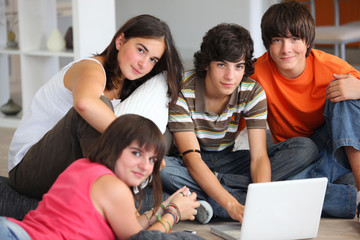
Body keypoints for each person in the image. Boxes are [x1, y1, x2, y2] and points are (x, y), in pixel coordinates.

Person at [7, 14, 183, 199]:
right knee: (97, 110)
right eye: (140, 50)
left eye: (153, 59)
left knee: (160, 134)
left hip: (71, 168)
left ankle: (129, 197)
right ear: (120, 41)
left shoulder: (129, 83)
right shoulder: (90, 68)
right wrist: (140, 143)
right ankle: (120, 200)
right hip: (30, 170)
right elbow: (84, 104)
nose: (144, 64)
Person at [160, 23, 318, 224]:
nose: (230, 76)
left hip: (229, 160)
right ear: (207, 63)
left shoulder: (252, 91)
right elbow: (193, 161)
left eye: (239, 66)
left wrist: (260, 200)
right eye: (221, 65)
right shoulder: (183, 90)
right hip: (190, 161)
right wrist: (232, 206)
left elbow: (259, 156)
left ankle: (207, 198)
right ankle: (226, 201)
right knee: (162, 168)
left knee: (305, 148)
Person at [0, 114, 203, 240]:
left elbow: (129, 224)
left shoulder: (82, 166)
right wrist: (174, 213)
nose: (145, 166)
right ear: (115, 147)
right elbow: (141, 239)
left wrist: (163, 208)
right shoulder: (113, 187)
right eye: (136, 153)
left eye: (152, 160)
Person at [250, 1, 360, 219]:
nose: (286, 49)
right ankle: (348, 196)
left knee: (345, 95)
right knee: (283, 186)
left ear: (308, 41)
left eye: (294, 39)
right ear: (267, 44)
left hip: (337, 147)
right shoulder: (256, 74)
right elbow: (232, 124)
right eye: (277, 40)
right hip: (297, 154)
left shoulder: (330, 67)